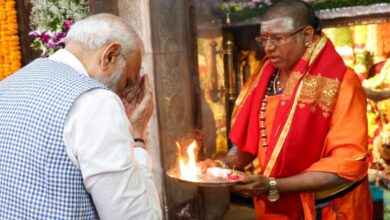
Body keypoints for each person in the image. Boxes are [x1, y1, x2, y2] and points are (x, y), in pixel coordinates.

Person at [201, 0, 372, 219]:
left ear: (307, 35)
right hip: (276, 205)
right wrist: (222, 166)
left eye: (278, 38)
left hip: (330, 209)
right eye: (264, 38)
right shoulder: (264, 77)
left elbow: (346, 165)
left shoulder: (342, 82)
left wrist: (274, 185)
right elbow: (252, 139)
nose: (268, 47)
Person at [0, 13, 162, 219]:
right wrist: (138, 136)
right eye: (128, 81)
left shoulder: (6, 86)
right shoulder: (95, 101)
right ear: (110, 56)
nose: (126, 93)